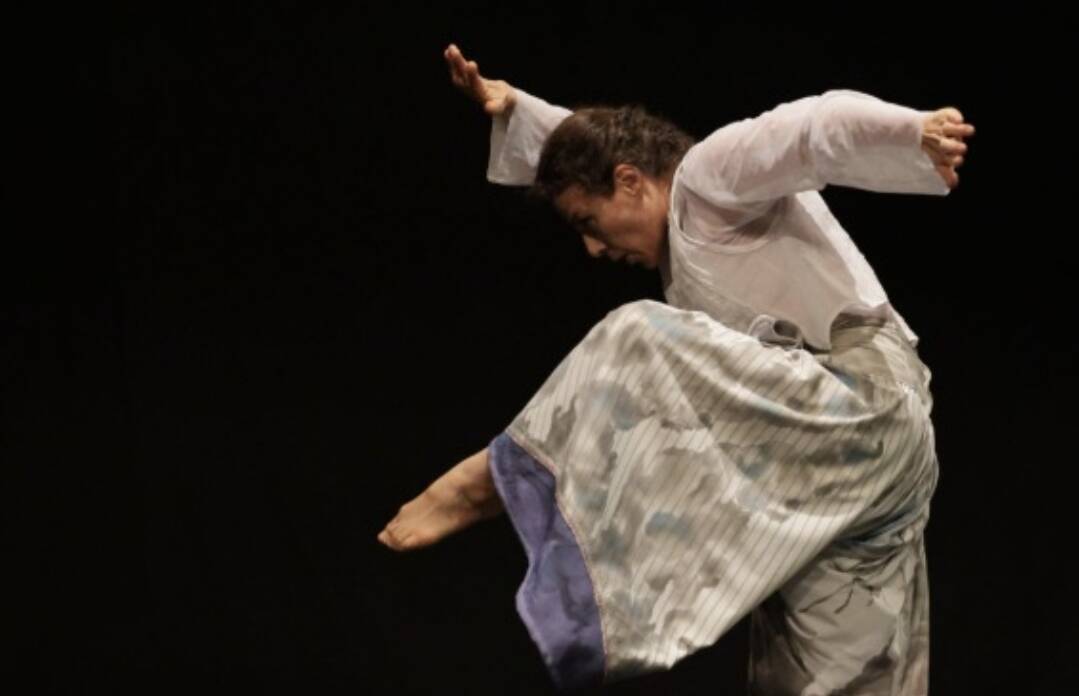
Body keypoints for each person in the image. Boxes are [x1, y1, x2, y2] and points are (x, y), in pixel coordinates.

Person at [378, 44, 973, 694]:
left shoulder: (708, 178)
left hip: (860, 399)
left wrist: (909, 132)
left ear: (631, 181)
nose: (592, 248)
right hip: (862, 475)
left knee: (640, 340)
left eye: (588, 222)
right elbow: (599, 151)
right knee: (834, 673)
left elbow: (811, 128)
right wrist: (519, 109)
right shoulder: (662, 216)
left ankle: (500, 476)